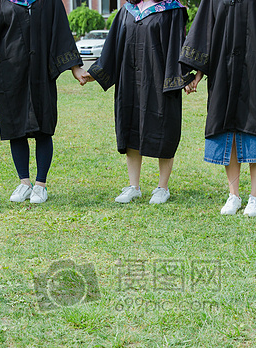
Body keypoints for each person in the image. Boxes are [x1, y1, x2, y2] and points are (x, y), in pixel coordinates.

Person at [0, 0, 85, 205]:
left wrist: (75, 68)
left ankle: (40, 185)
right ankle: (24, 183)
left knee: (43, 128)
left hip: (42, 72)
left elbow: (62, 33)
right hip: (11, 71)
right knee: (15, 126)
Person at [179, 0, 256, 217]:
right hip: (223, 70)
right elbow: (204, 30)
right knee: (227, 130)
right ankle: (234, 195)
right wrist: (197, 72)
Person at [80, 0, 190, 205]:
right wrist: (95, 72)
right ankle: (134, 186)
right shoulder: (127, 11)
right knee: (130, 126)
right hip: (129, 80)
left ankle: (162, 187)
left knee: (163, 129)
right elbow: (112, 46)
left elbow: (178, 45)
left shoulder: (171, 9)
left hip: (159, 81)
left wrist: (183, 78)